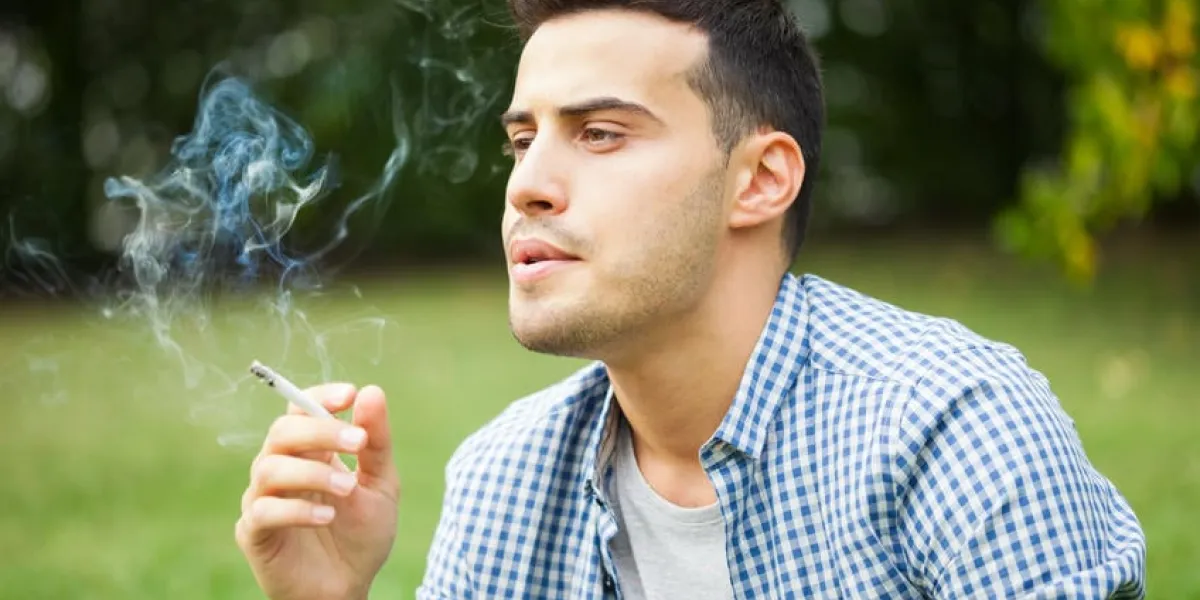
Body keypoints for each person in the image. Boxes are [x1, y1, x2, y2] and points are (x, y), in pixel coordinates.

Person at [234, 0, 1148, 598]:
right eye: (522, 142)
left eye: (600, 133)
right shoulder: (504, 479)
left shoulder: (952, 432)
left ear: (761, 179)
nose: (528, 186)